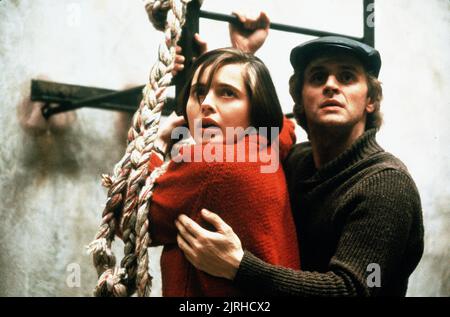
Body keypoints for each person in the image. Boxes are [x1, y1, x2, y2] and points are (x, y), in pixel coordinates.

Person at [175, 14, 424, 296]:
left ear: (370, 100)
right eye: (318, 77)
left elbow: (354, 290)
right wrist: (234, 59)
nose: (331, 85)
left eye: (347, 77)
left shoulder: (386, 185)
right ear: (300, 99)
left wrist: (239, 266)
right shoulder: (296, 161)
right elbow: (247, 127)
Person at [140, 47, 300, 296]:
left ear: (257, 110)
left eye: (227, 93)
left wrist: (158, 144)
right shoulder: (271, 143)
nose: (206, 104)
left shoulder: (210, 165)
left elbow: (128, 219)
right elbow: (285, 124)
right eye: (199, 92)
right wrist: (235, 53)